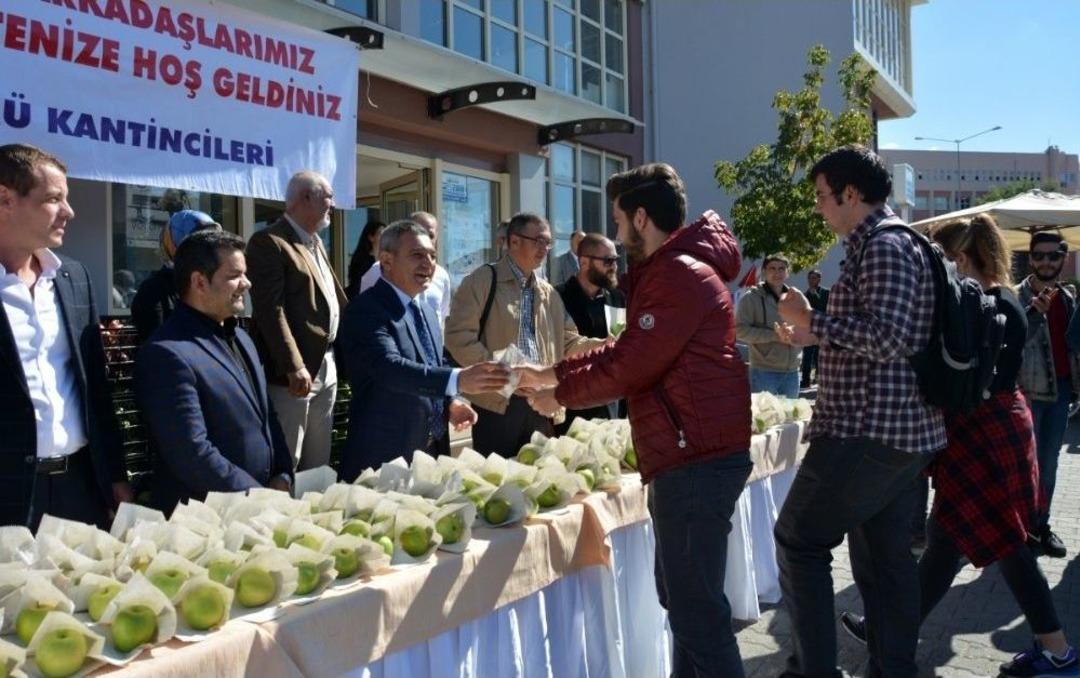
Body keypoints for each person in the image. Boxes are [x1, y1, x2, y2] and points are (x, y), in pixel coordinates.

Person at [516, 162, 752, 677]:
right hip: (691, 454)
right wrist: (552, 372)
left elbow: (632, 365)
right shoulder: (675, 269)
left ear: (642, 217)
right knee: (685, 603)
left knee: (697, 615)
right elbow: (629, 349)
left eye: (620, 222)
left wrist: (561, 394)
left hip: (694, 459)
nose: (617, 236)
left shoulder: (676, 273)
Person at [839, 214, 1080, 678]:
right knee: (946, 544)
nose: (940, 272)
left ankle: (1058, 650)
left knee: (1007, 543)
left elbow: (961, 376)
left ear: (964, 258)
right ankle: (890, 632)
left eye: (945, 262)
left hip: (983, 433)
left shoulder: (982, 302)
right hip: (993, 430)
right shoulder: (1005, 298)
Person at [773, 145, 944, 678]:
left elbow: (891, 337)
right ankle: (893, 668)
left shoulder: (886, 246)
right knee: (883, 561)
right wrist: (813, 330)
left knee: (798, 540)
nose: (820, 208)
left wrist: (814, 325)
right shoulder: (882, 243)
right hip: (893, 434)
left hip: (869, 432)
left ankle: (815, 669)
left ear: (851, 194)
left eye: (824, 197)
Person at [0, 143, 129, 529]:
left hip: (80, 489)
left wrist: (115, 478)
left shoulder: (73, 278)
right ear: (5, 199)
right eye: (54, 199)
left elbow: (96, 388)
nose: (68, 212)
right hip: (9, 495)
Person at [135, 231, 293, 514]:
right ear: (199, 282)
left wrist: (283, 473)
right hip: (202, 524)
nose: (246, 283)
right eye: (234, 275)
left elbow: (268, 416)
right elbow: (191, 453)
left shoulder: (242, 337)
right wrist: (258, 497)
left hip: (255, 512)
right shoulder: (166, 353)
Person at [338, 221, 511, 480]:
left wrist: (450, 402)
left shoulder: (426, 310)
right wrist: (457, 380)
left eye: (432, 256)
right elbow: (389, 368)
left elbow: (432, 359)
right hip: (383, 458)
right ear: (386, 260)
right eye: (417, 255)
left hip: (428, 451)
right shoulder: (366, 310)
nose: (428, 264)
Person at [444, 212, 602, 456]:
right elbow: (458, 339)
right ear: (514, 241)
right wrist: (507, 379)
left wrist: (607, 345)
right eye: (538, 241)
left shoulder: (549, 293)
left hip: (542, 402)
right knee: (499, 487)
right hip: (498, 405)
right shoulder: (482, 281)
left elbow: (569, 341)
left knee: (541, 482)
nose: (545, 248)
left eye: (548, 243)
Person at [247, 170, 348, 472]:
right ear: (306, 197)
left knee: (317, 465)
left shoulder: (314, 241)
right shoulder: (270, 242)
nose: (333, 204)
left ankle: (312, 517)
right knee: (286, 462)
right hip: (295, 374)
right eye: (328, 197)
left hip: (325, 365)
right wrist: (294, 365)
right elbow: (270, 310)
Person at [1017, 231, 1077, 559]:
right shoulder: (1016, 296)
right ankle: (1020, 529)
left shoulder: (1069, 298)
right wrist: (1032, 314)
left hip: (1061, 393)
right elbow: (1007, 346)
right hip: (1028, 392)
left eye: (1053, 256)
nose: (1045, 261)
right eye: (1039, 255)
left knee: (1050, 465)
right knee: (1025, 466)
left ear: (1063, 259)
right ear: (1030, 259)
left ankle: (1041, 524)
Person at [553, 232, 626, 433]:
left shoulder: (617, 298)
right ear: (584, 262)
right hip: (572, 411)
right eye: (608, 261)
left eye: (616, 260)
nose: (614, 267)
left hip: (611, 410)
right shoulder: (557, 298)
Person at [130, 209, 221, 344]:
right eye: (197, 244)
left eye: (211, 244)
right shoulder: (154, 290)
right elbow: (158, 348)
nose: (206, 252)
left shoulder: (213, 283)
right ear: (175, 247)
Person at [359, 211, 453, 328]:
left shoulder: (441, 275)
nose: (423, 237)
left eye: (430, 235)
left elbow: (442, 316)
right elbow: (366, 314)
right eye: (417, 231)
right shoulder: (378, 271)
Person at [736, 254, 802, 397]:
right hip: (763, 372)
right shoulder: (750, 298)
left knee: (790, 419)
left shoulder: (796, 298)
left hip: (792, 372)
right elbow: (740, 331)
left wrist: (794, 333)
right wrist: (774, 336)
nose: (777, 273)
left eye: (781, 269)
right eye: (772, 268)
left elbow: (806, 327)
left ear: (787, 272)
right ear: (764, 271)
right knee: (765, 419)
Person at [800, 269, 828, 387]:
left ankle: (819, 378)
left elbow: (823, 307)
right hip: (809, 329)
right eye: (810, 278)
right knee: (807, 355)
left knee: (820, 356)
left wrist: (814, 295)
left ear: (819, 279)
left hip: (823, 329)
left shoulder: (826, 293)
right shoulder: (805, 295)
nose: (811, 281)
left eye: (814, 278)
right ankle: (806, 380)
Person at [345, 219, 385, 300]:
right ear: (371, 237)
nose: (385, 237)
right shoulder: (363, 260)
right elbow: (358, 286)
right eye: (381, 233)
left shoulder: (385, 258)